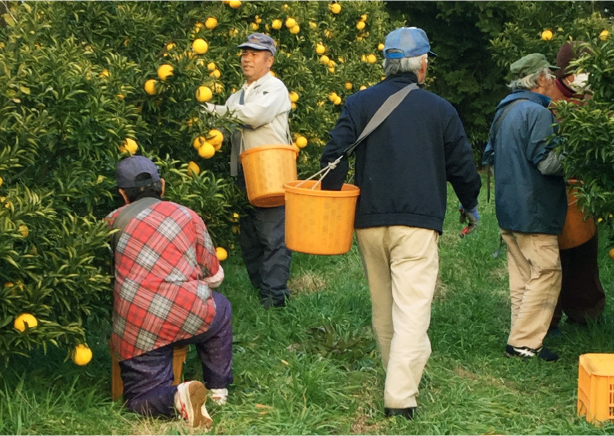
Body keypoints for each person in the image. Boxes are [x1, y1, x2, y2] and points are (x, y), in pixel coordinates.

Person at [320, 27, 481, 420]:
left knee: (384, 306)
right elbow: (462, 167)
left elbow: (332, 158)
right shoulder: (440, 110)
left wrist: (329, 205)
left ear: (388, 64)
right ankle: (400, 399)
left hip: (369, 221)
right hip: (417, 223)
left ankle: (396, 376)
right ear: (423, 64)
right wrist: (470, 203)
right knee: (412, 309)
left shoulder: (359, 103)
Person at [105, 155, 233, 428]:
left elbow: (106, 278)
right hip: (191, 311)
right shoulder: (187, 215)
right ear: (161, 186)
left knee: (140, 397)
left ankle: (177, 396)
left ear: (121, 195)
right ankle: (218, 390)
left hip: (141, 323)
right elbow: (213, 275)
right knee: (220, 309)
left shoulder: (111, 223)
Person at [483, 53, 567, 362]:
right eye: (550, 77)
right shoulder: (537, 113)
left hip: (509, 208)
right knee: (546, 273)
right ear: (540, 79)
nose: (554, 82)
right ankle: (525, 343)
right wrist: (575, 150)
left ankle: (520, 341)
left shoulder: (505, 111)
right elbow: (547, 162)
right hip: (534, 210)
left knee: (523, 276)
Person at [204, 33, 292, 309]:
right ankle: (261, 292)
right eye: (245, 53)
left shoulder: (275, 88)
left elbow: (252, 117)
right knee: (250, 237)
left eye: (254, 54)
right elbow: (224, 129)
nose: (247, 58)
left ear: (269, 60)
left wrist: (208, 109)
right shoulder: (236, 96)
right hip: (245, 173)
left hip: (271, 172)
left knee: (273, 236)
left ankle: (275, 299)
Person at [548, 41, 605, 332]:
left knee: (585, 256)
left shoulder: (592, 98)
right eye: (579, 71)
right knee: (554, 260)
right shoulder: (550, 96)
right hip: (557, 187)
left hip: (586, 191)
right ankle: (550, 318)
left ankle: (587, 313)